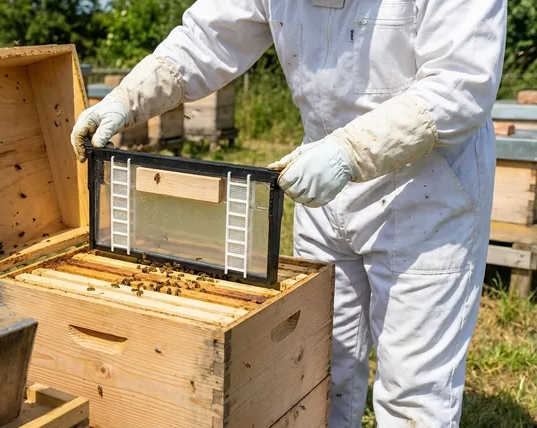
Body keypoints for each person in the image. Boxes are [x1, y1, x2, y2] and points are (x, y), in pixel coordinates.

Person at [70, 1, 506, 426]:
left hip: (427, 189)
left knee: (413, 390)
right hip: (322, 185)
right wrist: (128, 98)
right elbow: (205, 39)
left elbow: (460, 85)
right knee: (318, 365)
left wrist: (347, 153)